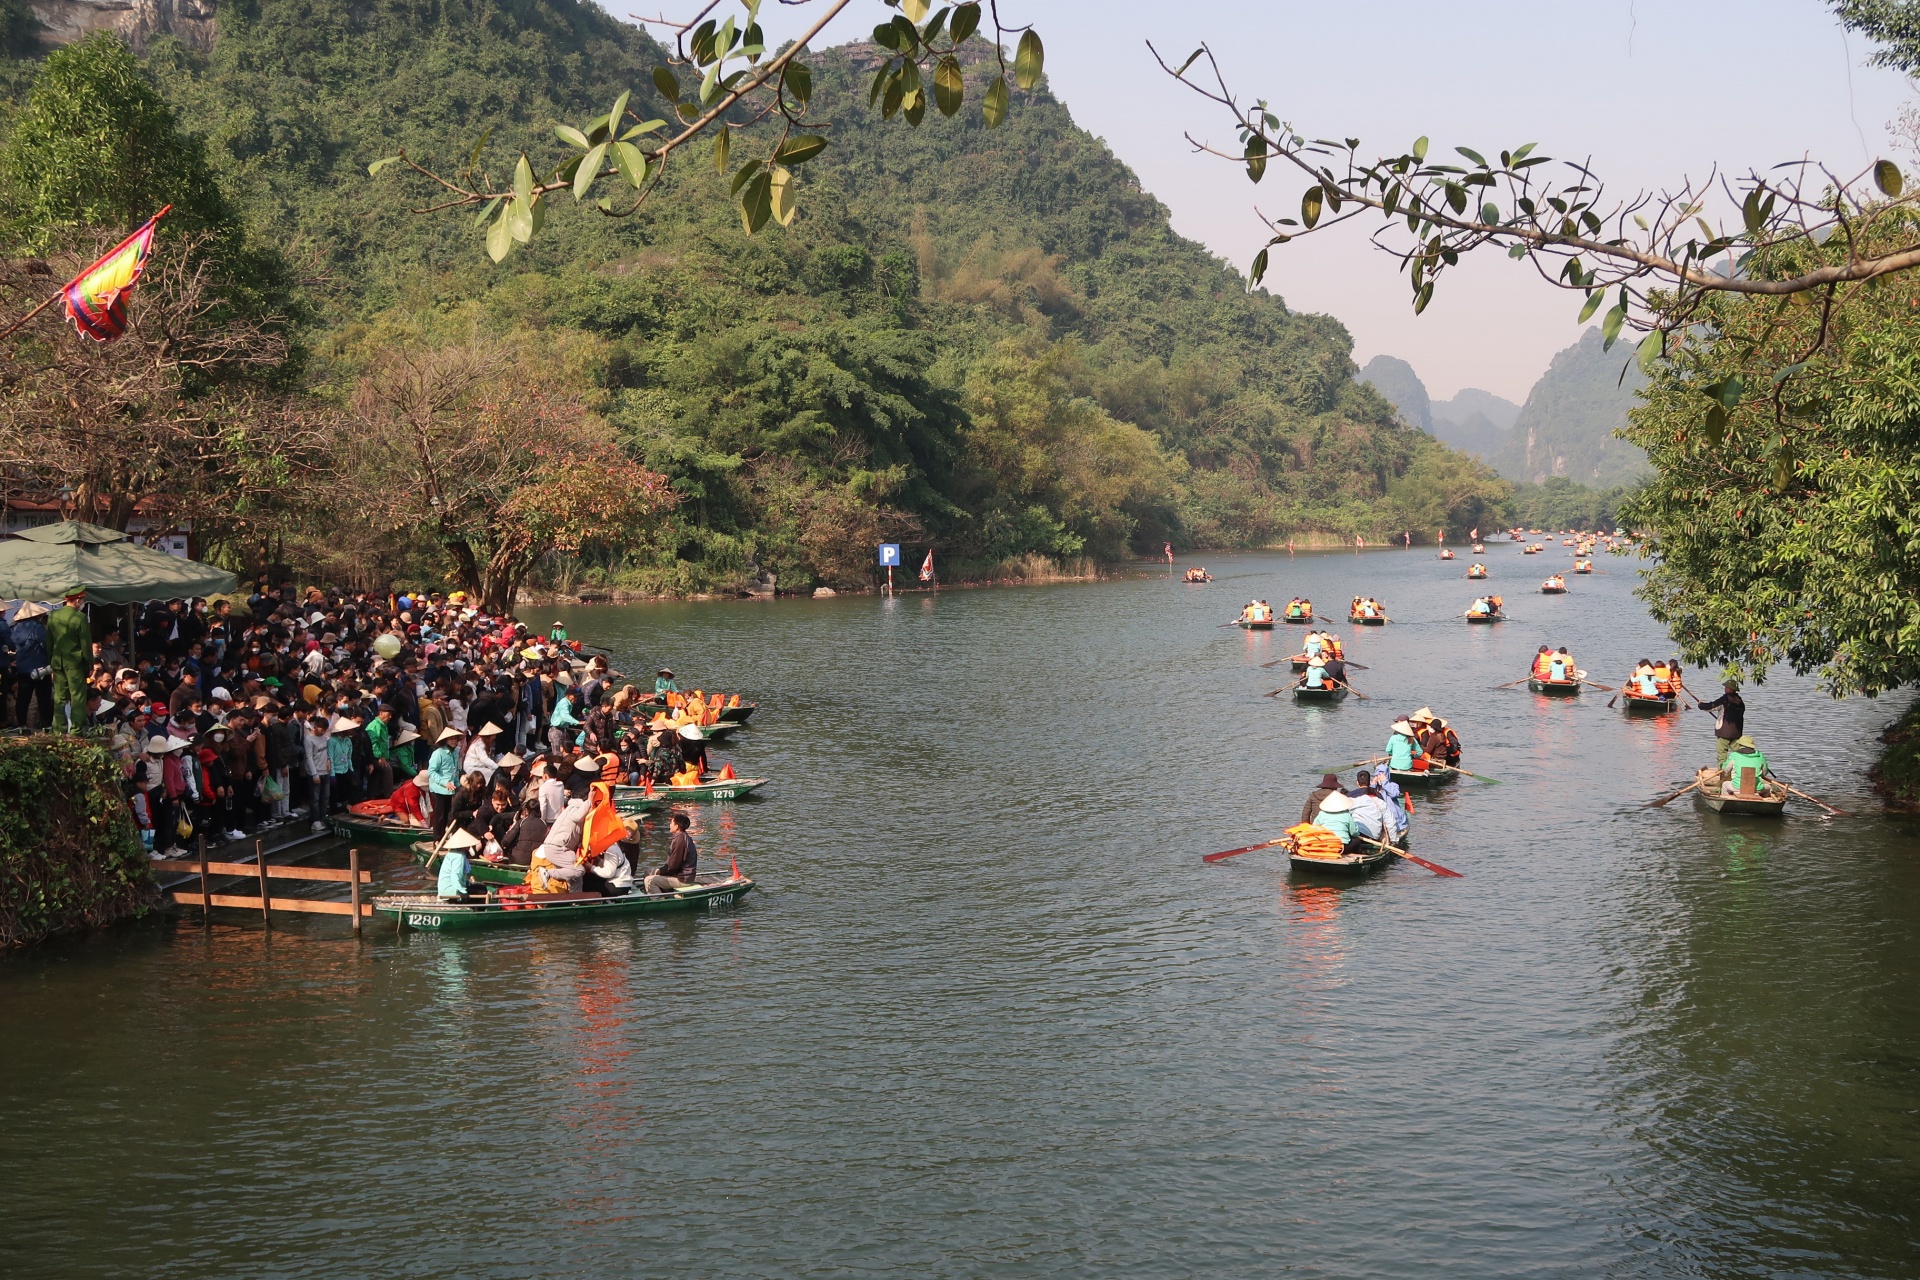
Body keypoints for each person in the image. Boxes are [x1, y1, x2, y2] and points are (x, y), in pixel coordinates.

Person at [46, 586, 91, 732]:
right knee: (77, 696)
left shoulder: (53, 615)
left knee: (59, 697)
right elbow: (85, 644)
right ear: (77, 600)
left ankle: (59, 730)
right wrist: (89, 664)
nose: (82, 603)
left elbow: (49, 642)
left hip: (57, 661)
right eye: (82, 600)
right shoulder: (80, 618)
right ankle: (77, 730)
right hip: (75, 662)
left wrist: (51, 661)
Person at [646, 811, 699, 894]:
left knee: (649, 880)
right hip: (681, 875)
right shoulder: (682, 837)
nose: (669, 825)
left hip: (682, 879)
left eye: (671, 823)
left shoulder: (680, 841)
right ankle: (665, 893)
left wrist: (659, 872)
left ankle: (659, 901)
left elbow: (673, 866)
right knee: (649, 871)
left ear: (677, 826)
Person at [1696, 681, 1747, 766]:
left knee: (1722, 754)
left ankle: (1723, 773)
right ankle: (1740, 770)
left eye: (1726, 687)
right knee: (1738, 753)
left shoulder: (1725, 699)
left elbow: (1711, 706)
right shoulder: (1740, 702)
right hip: (1737, 733)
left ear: (1730, 689)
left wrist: (1701, 705)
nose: (1725, 689)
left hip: (1724, 732)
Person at [427, 727, 461, 834]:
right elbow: (431, 772)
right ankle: (437, 839)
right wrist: (444, 783)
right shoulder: (438, 753)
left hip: (450, 789)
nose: (453, 741)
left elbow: (455, 771)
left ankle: (443, 836)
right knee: (439, 815)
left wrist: (457, 784)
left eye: (455, 738)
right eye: (450, 739)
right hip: (438, 789)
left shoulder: (455, 753)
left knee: (447, 813)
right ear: (445, 740)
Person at [436, 827, 481, 901]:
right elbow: (455, 875)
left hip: (445, 889)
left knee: (479, 887)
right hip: (450, 891)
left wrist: (467, 883)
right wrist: (462, 891)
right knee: (482, 891)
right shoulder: (459, 857)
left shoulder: (452, 853)